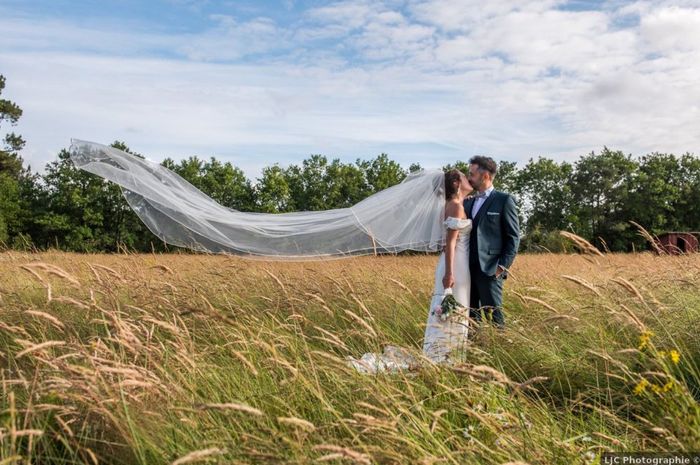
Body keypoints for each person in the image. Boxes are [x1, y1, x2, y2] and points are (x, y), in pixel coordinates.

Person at [345, 170, 473, 373]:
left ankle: (446, 356)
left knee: (453, 310)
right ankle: (444, 359)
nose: (469, 178)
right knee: (452, 309)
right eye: (465, 177)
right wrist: (449, 274)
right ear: (457, 183)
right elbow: (450, 244)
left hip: (457, 264)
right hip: (454, 265)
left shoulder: (453, 205)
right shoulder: (456, 207)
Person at [463, 156, 520, 329]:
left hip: (490, 269)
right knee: (471, 316)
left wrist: (501, 267)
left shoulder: (504, 200)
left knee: (495, 317)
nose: (469, 178)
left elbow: (513, 237)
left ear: (485, 175)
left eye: (472, 174)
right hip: (466, 269)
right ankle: (475, 350)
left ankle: (501, 351)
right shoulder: (468, 203)